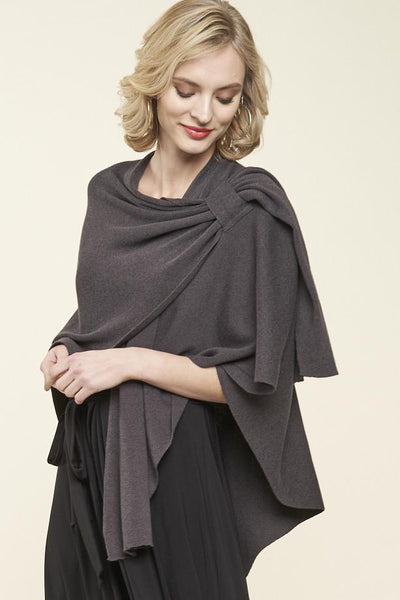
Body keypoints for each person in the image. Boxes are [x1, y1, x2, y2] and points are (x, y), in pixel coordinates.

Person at [40, 1, 338, 599]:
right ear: (155, 83)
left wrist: (131, 363)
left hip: (175, 461)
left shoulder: (250, 208)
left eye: (225, 97)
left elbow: (259, 383)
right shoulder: (108, 193)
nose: (205, 113)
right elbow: (109, 315)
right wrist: (66, 347)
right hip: (88, 450)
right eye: (186, 89)